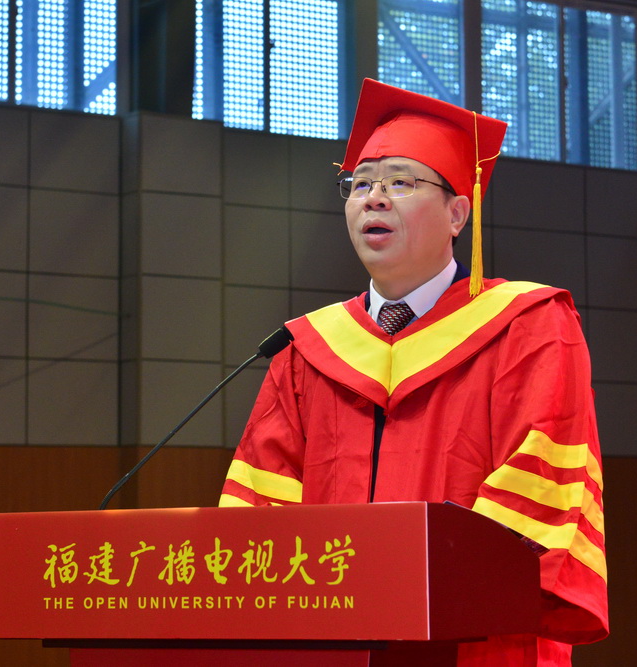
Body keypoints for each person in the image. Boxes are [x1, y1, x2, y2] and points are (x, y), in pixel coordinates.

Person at [219, 78, 608, 666]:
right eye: (360, 184)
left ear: (457, 213)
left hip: (473, 639)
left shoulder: (528, 327)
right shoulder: (306, 350)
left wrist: (416, 590)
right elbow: (258, 511)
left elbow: (540, 490)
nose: (374, 198)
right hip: (330, 644)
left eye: (400, 182)